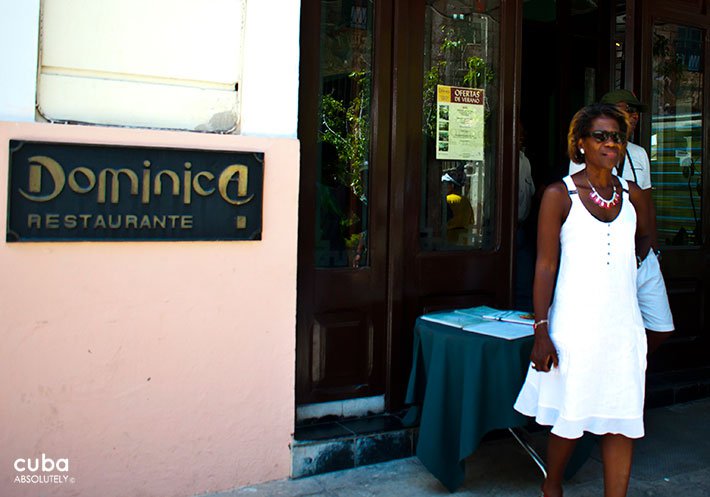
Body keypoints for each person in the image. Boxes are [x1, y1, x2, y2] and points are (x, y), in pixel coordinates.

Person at [515, 104, 652, 497]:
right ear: (580, 143)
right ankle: (552, 485)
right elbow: (544, 266)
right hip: (575, 326)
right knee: (570, 415)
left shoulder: (634, 197)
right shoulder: (560, 194)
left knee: (622, 419)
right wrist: (542, 331)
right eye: (602, 136)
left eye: (618, 137)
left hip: (623, 326)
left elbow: (645, 238)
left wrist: (625, 268)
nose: (611, 143)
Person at [570, 90, 674, 352]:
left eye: (635, 110)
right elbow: (580, 202)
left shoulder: (638, 154)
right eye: (626, 108)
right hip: (605, 253)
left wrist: (650, 248)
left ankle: (629, 362)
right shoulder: (587, 155)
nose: (634, 115)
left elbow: (647, 204)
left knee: (661, 326)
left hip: (640, 251)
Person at [441, 172, 474, 245]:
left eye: (444, 184)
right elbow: (471, 221)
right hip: (464, 240)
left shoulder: (446, 200)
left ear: (451, 186)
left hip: (448, 240)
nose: (442, 186)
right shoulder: (466, 201)